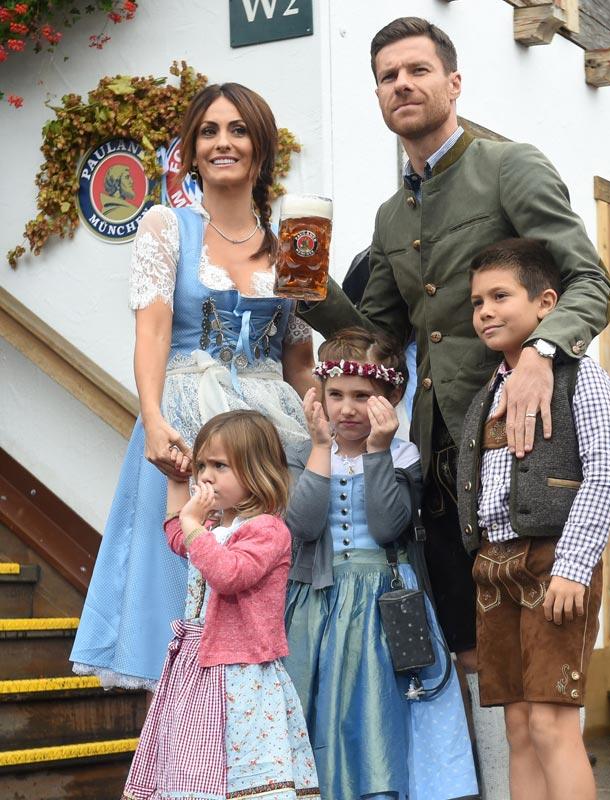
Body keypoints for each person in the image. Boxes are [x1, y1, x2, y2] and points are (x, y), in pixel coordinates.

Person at [295, 17, 610, 793]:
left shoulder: (509, 169)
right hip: (442, 472)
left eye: (416, 70)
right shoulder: (388, 218)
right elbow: (373, 339)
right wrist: (303, 287)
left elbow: (590, 281)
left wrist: (544, 353)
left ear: (453, 82)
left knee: (545, 693)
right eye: (386, 76)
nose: (401, 85)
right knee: (481, 665)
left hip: (527, 454)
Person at [71, 82, 313, 689]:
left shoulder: (294, 243)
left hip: (267, 434)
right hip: (187, 421)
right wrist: (152, 418)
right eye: (209, 130)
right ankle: (185, 750)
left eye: (237, 130)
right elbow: (151, 335)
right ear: (191, 149)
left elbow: (298, 359)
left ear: (261, 149)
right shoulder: (164, 225)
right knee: (182, 576)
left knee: (261, 579)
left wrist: (325, 426)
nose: (222, 142)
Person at [456, 239, 610, 800]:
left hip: (556, 563)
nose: (485, 311)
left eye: (500, 296)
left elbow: (605, 474)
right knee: (519, 727)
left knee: (553, 724)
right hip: (494, 569)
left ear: (547, 302)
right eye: (477, 301)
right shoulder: (486, 394)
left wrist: (574, 566)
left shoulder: (584, 376)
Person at [283, 327, 478, 800]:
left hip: (385, 601)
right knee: (324, 704)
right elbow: (302, 526)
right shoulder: (303, 452)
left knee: (381, 707)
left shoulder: (402, 454)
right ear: (320, 396)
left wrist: (375, 453)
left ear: (390, 396)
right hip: (318, 602)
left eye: (362, 396)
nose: (347, 408)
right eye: (336, 395)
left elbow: (388, 524)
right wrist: (320, 449)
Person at [122, 410, 320, 800]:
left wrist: (195, 524)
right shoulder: (214, 529)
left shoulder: (267, 530)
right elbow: (179, 538)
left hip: (241, 678)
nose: (207, 476)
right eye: (202, 466)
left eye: (220, 466)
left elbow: (228, 573)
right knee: (193, 772)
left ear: (257, 471)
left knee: (237, 770)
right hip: (198, 668)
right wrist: (177, 483)